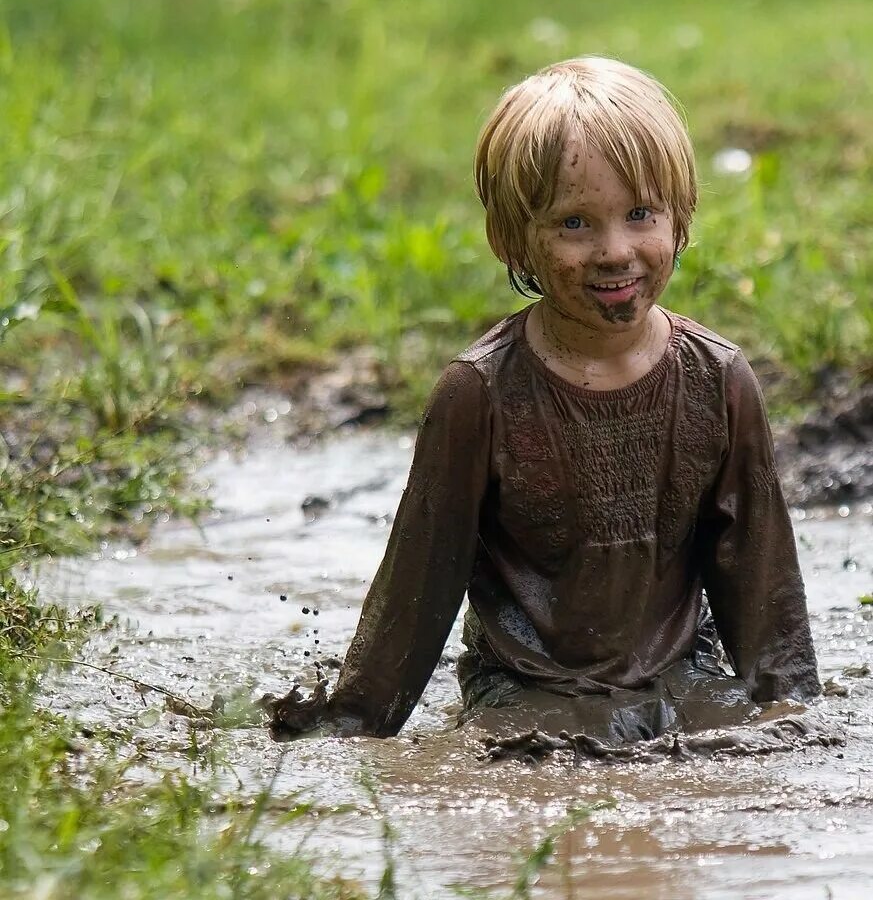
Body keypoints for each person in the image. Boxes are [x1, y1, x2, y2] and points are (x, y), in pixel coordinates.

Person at [268, 56, 820, 744]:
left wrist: (790, 718)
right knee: (537, 768)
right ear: (512, 239)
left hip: (683, 673)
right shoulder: (478, 396)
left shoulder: (717, 379)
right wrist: (351, 728)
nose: (615, 251)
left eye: (639, 214)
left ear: (680, 217)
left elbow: (760, 576)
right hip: (525, 687)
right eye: (574, 224)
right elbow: (419, 580)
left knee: (723, 756)